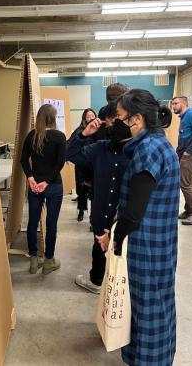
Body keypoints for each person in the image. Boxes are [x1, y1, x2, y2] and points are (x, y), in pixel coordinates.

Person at [96, 89, 180, 366]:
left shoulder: (148, 149)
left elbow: (134, 212)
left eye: (120, 117)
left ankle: (150, 361)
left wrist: (115, 239)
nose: (116, 123)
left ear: (137, 119)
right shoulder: (158, 142)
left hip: (146, 246)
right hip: (160, 242)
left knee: (148, 311)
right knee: (155, 305)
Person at [66, 101, 129, 294]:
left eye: (111, 124)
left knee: (123, 254)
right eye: (107, 125)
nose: (109, 130)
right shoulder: (101, 147)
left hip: (124, 217)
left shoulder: (137, 150)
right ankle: (96, 280)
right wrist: (84, 134)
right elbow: (70, 154)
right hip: (101, 214)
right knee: (99, 249)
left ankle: (119, 287)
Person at [20, 104, 66, 274]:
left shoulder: (32, 136)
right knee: (51, 224)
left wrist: (31, 178)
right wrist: (46, 182)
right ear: (53, 118)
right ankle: (48, 261)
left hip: (34, 186)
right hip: (53, 185)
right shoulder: (60, 137)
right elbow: (59, 163)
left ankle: (33, 261)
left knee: (32, 222)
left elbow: (23, 160)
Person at [172, 96, 192, 225]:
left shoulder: (191, 114)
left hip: (191, 155)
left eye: (175, 103)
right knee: (186, 183)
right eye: (173, 104)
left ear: (184, 103)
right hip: (184, 155)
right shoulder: (184, 117)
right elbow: (184, 137)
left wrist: (188, 152)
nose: (173, 106)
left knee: (184, 184)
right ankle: (189, 210)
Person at [69, 108, 97, 222]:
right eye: (88, 116)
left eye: (92, 115)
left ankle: (93, 216)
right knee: (81, 191)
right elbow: (71, 144)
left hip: (94, 166)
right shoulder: (79, 131)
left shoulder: (98, 130)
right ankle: (81, 210)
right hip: (81, 165)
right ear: (84, 118)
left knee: (95, 192)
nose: (90, 118)